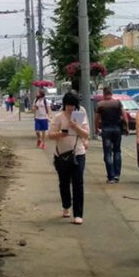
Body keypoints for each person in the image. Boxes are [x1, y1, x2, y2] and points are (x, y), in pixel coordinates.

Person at [49, 92, 90, 224]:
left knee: (78, 183)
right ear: (64, 105)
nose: (70, 108)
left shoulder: (80, 115)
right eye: (68, 105)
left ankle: (78, 214)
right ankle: (66, 206)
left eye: (73, 105)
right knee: (64, 182)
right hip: (61, 154)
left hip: (78, 153)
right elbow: (50, 135)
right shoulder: (58, 117)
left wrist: (76, 127)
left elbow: (86, 134)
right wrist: (61, 134)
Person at [94, 87, 129, 183]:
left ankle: (111, 176)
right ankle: (117, 174)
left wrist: (96, 128)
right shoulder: (117, 103)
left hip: (106, 130)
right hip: (117, 129)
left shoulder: (100, 104)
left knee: (108, 153)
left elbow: (96, 118)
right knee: (117, 151)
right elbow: (124, 115)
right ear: (111, 93)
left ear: (104, 94)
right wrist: (127, 127)